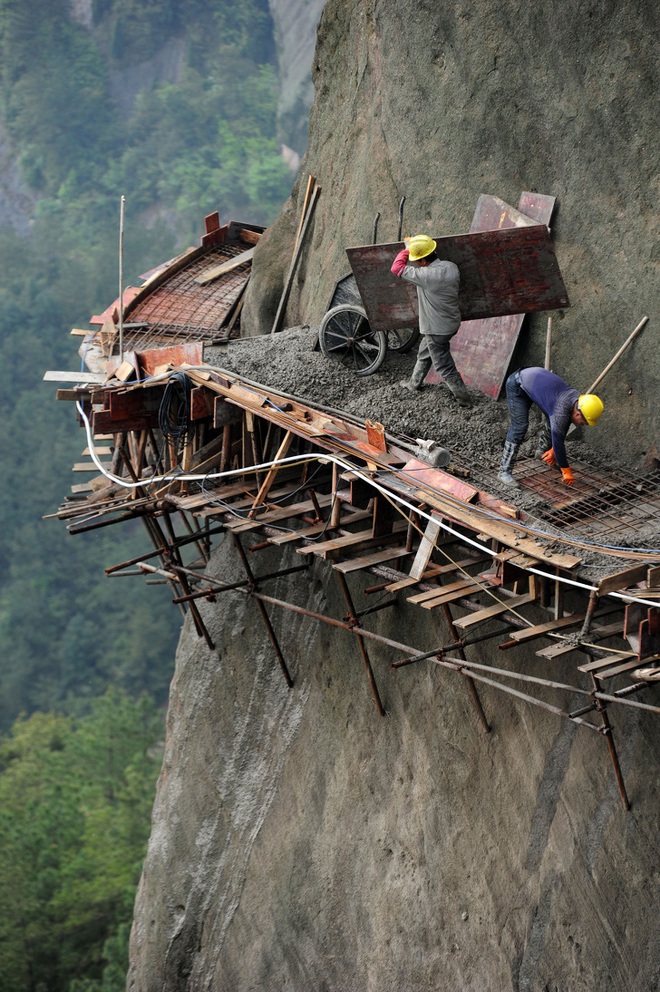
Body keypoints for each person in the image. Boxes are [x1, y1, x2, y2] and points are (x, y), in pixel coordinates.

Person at [391, 234, 472, 406]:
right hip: (450, 322)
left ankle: (464, 400)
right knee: (425, 350)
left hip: (436, 329)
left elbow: (396, 268)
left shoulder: (426, 276)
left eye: (416, 260)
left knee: (444, 365)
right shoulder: (451, 267)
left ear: (421, 261)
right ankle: (414, 384)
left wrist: (407, 249)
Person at [498, 366, 604, 488]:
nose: (583, 424)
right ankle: (504, 472)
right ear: (578, 413)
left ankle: (542, 452)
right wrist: (566, 470)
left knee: (552, 419)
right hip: (518, 384)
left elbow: (563, 424)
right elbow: (559, 439)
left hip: (533, 380)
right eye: (584, 422)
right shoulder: (562, 409)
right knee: (520, 427)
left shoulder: (575, 399)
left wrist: (554, 451)